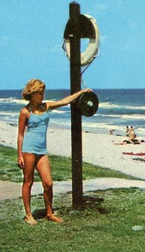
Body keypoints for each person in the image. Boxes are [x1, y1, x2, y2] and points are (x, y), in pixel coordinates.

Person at [17, 79, 92, 225]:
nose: (43, 95)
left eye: (43, 92)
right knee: (28, 181)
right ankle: (28, 215)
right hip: (29, 149)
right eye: (41, 93)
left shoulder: (46, 106)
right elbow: (20, 134)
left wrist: (81, 92)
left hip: (42, 150)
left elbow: (64, 101)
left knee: (48, 183)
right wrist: (19, 155)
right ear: (32, 93)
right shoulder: (25, 112)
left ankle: (49, 213)